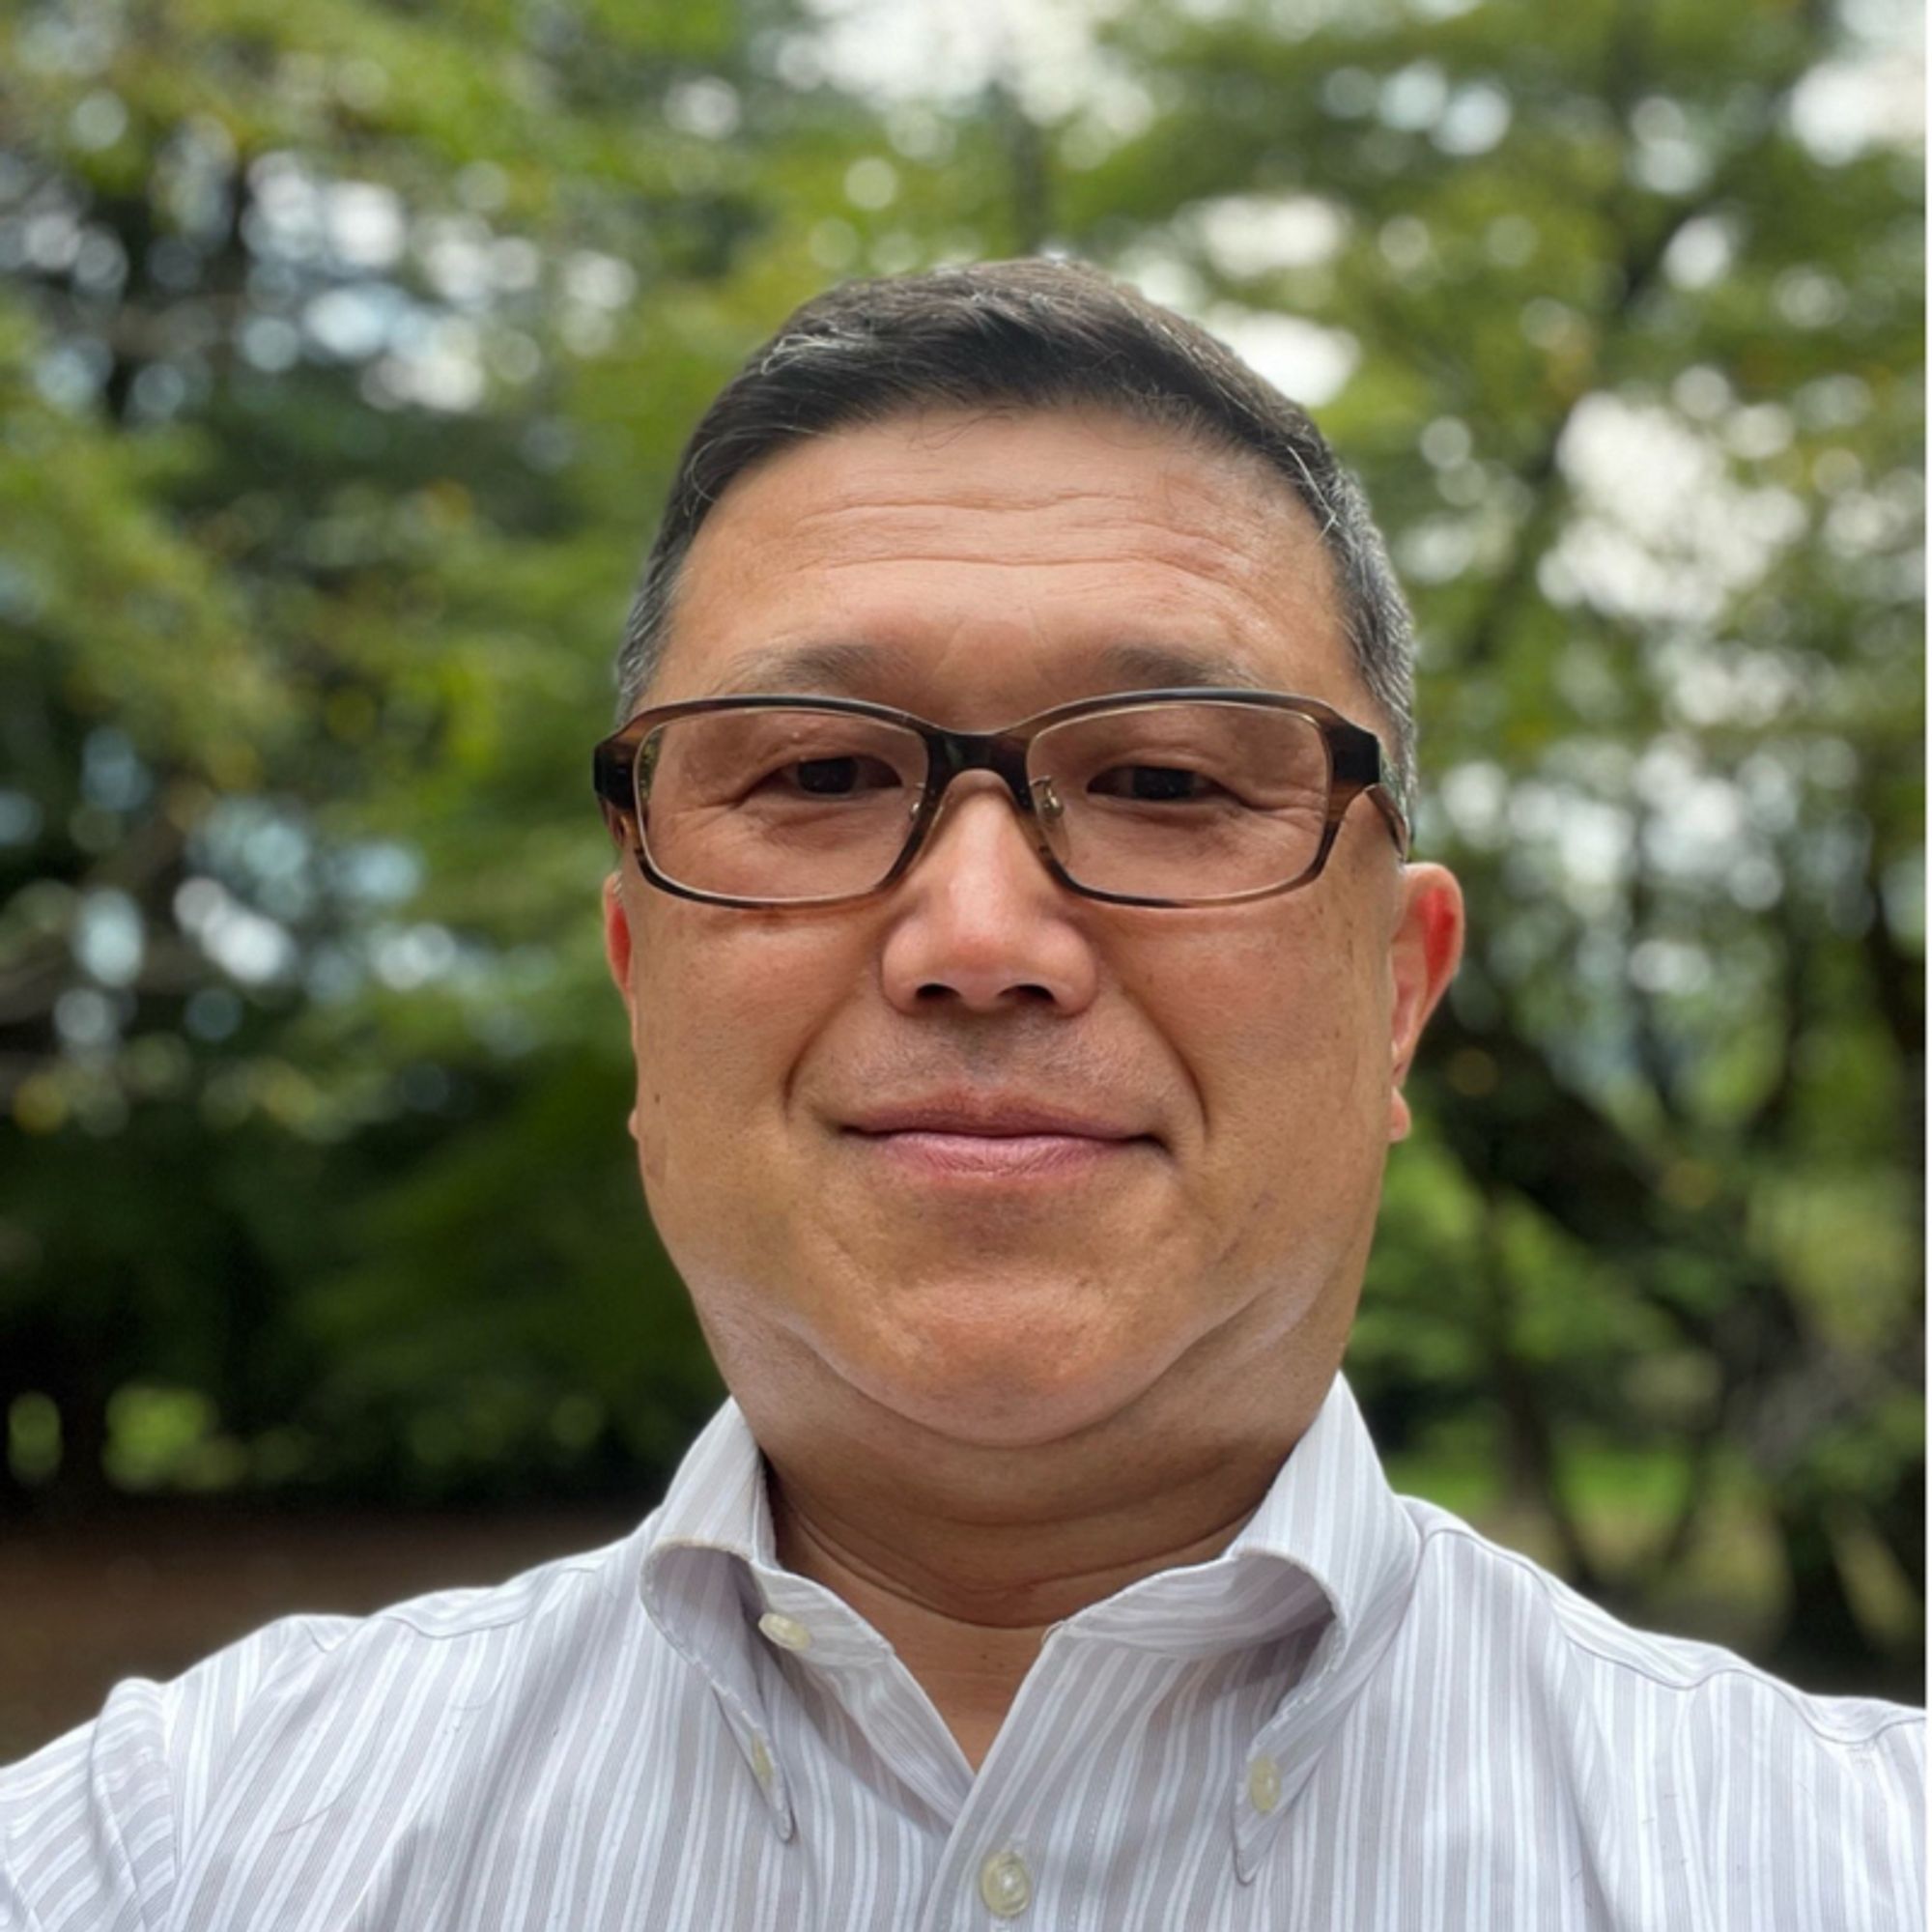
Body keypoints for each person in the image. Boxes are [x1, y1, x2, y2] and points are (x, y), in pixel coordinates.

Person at [0, 259, 1919, 1931]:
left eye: (1168, 781)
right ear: (640, 980)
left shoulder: (1845, 1867)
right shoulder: (178, 1854)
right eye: (819, 775)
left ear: (1396, 994)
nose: (978, 931)